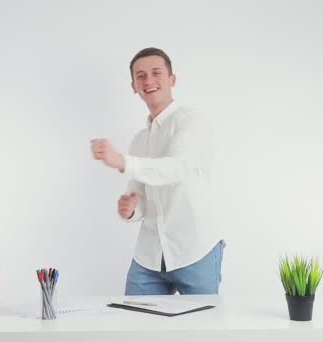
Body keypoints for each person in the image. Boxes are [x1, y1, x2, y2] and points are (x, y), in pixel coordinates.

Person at [91, 47, 224, 295]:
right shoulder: (139, 140)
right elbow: (140, 199)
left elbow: (176, 168)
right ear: (133, 86)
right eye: (140, 76)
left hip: (195, 249)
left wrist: (121, 161)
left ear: (172, 79)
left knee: (202, 330)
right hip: (149, 255)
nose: (148, 81)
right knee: (136, 326)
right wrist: (131, 209)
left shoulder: (193, 121)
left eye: (156, 73)